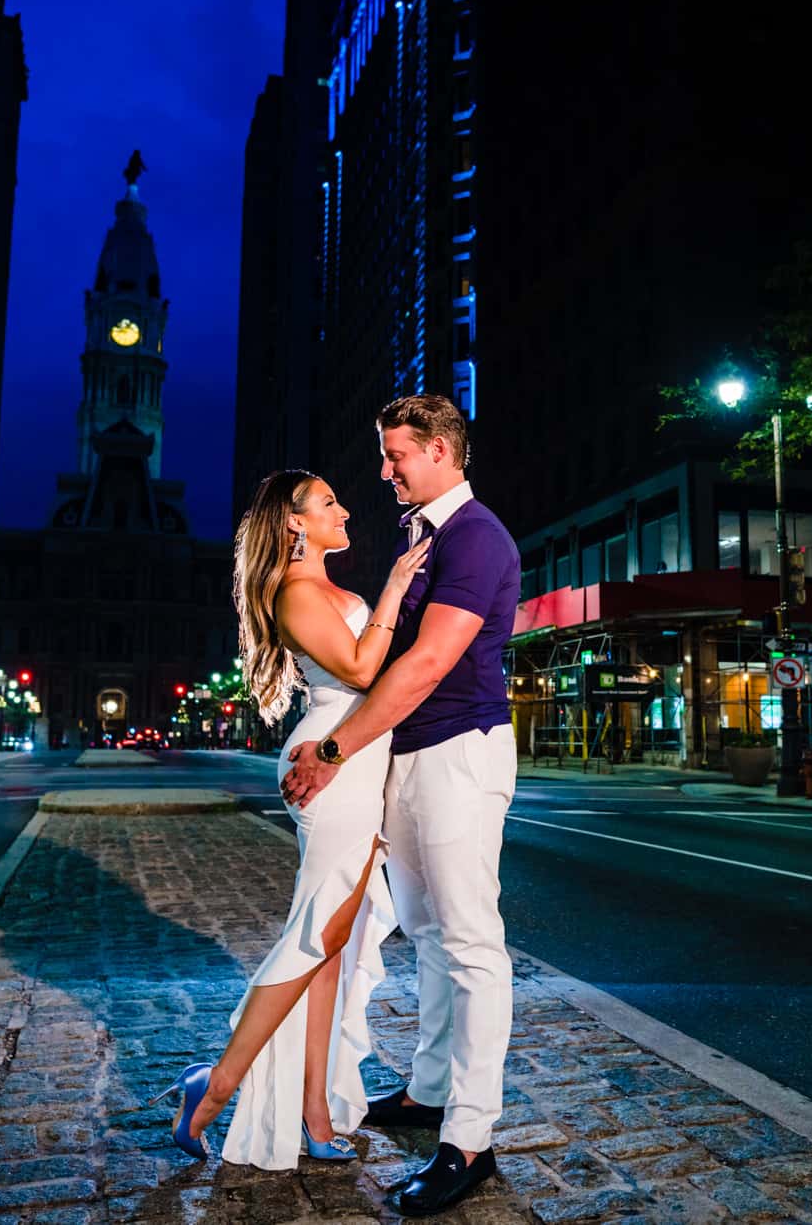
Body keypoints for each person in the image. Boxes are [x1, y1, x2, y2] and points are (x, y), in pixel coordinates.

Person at [282, 394, 521, 1216]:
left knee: (470, 942)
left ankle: (470, 1136)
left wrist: (334, 747)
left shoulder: (477, 536)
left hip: (461, 752)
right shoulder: (422, 537)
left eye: (397, 456)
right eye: (384, 458)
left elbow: (423, 666)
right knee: (425, 933)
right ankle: (425, 1091)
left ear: (443, 451)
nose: (384, 472)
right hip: (413, 758)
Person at [161, 470, 429, 1172]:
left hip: (361, 760)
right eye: (329, 502)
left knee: (332, 940)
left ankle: (315, 1110)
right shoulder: (297, 592)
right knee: (317, 931)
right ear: (295, 525)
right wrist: (398, 586)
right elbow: (367, 668)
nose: (345, 510)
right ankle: (215, 1087)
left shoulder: (330, 589)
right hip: (332, 764)